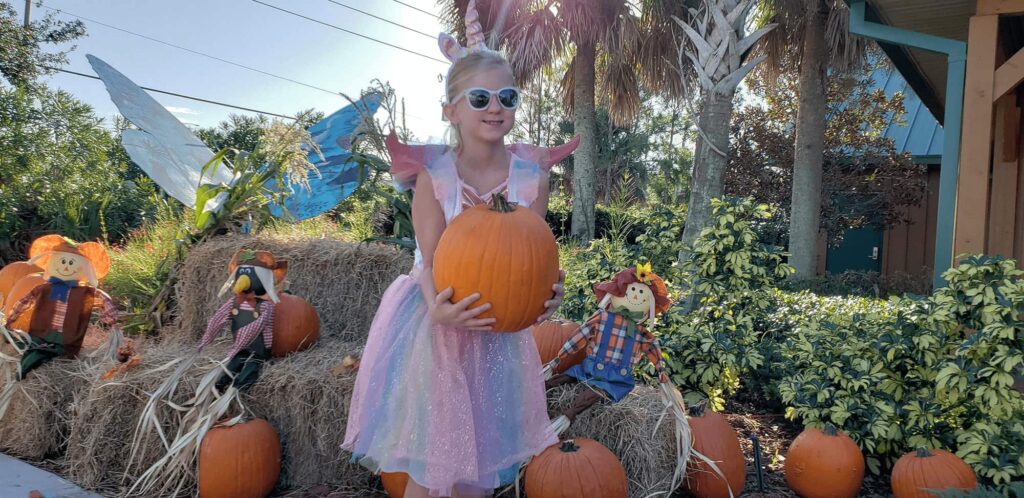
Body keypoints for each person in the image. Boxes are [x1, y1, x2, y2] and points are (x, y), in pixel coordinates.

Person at [342, 1, 579, 496]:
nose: (495, 107)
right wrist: (436, 307)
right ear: (451, 109)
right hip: (439, 326)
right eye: (479, 98)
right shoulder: (436, 175)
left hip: (498, 333)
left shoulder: (531, 178)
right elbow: (429, 260)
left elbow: (531, 256)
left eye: (506, 96)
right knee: (434, 466)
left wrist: (547, 296)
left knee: (480, 462)